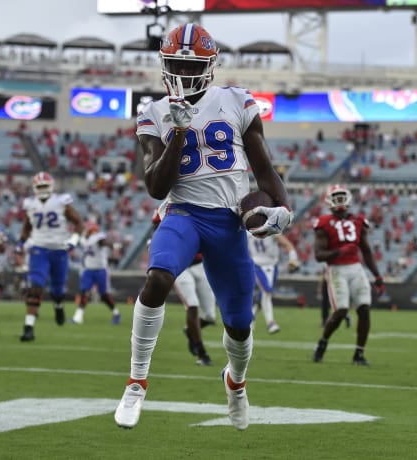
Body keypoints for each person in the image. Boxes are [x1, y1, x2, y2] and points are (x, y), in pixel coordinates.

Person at [114, 23, 292, 431]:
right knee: (158, 278)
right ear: (164, 64)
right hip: (183, 213)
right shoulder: (154, 112)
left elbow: (264, 170)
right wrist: (178, 130)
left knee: (239, 325)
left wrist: (283, 208)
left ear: (211, 67)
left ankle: (236, 382)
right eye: (177, 63)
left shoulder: (236, 101)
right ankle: (136, 382)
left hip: (228, 221)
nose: (185, 72)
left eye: (192, 65)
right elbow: (157, 187)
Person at [312, 185, 384, 366]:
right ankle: (323, 342)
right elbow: (319, 255)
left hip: (356, 269)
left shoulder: (359, 221)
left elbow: (366, 252)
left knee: (364, 309)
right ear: (329, 200)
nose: (339, 201)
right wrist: (339, 251)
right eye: (335, 197)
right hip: (336, 269)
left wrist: (377, 276)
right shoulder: (324, 223)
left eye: (341, 197)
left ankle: (358, 354)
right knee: (341, 310)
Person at [15, 171, 84, 342]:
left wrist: (74, 240)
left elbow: (78, 222)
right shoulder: (30, 204)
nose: (42, 189)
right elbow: (26, 227)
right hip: (39, 249)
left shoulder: (61, 202)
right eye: (39, 186)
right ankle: (29, 327)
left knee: (57, 290)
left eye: (45, 186)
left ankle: (58, 305)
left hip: (59, 250)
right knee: (35, 286)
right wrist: (20, 243)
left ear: (51, 186)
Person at [152, 202, 216, 366]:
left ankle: (190, 330)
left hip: (200, 265)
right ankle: (201, 352)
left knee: (209, 316)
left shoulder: (200, 203)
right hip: (181, 267)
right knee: (192, 306)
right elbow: (157, 231)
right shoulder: (165, 208)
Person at [248, 232, 300, 334]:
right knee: (267, 292)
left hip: (273, 266)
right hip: (257, 265)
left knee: (263, 295)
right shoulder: (248, 231)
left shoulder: (270, 228)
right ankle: (270, 323)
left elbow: (287, 244)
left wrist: (293, 259)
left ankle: (250, 319)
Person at [70, 221, 121, 325]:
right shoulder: (84, 239)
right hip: (88, 269)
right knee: (84, 292)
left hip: (101, 270)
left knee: (104, 295)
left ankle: (116, 313)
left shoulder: (97, 238)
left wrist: (113, 245)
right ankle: (78, 316)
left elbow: (104, 242)